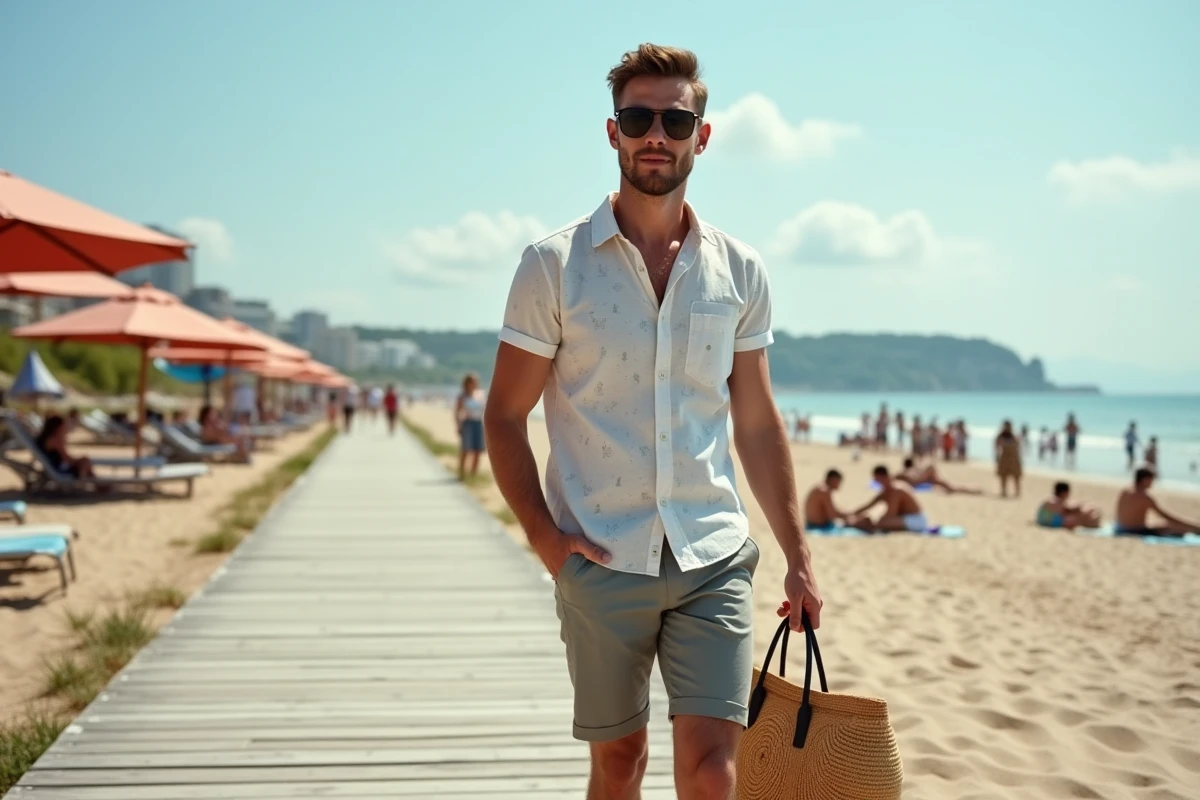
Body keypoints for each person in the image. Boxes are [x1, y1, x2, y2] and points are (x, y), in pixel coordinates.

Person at [482, 44, 823, 800]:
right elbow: (504, 416)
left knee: (710, 774)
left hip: (713, 555)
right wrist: (547, 541)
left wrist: (798, 556)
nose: (655, 135)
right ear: (612, 133)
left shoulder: (740, 270)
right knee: (620, 763)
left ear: (703, 135)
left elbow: (758, 424)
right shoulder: (553, 266)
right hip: (600, 556)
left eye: (675, 119)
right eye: (639, 118)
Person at [1115, 468, 1200, 536]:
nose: (1153, 482)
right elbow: (1166, 516)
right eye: (1151, 479)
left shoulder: (1125, 490)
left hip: (1120, 528)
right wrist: (1191, 524)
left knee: (1161, 524)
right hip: (1134, 531)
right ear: (1145, 480)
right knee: (1177, 528)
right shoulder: (1144, 497)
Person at [851, 465, 928, 532]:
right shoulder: (886, 490)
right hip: (905, 518)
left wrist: (870, 521)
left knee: (881, 523)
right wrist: (852, 514)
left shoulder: (897, 489)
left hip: (915, 520)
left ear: (881, 477)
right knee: (876, 521)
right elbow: (869, 505)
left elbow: (891, 514)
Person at [804, 469, 868, 530]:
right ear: (833, 479)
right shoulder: (824, 491)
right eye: (839, 481)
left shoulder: (820, 488)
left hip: (814, 524)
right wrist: (849, 516)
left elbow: (831, 511)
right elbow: (832, 514)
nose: (839, 484)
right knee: (863, 522)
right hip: (819, 526)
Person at [455, 372, 487, 481]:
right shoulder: (462, 396)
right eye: (473, 381)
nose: (475, 383)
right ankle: (461, 474)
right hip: (468, 423)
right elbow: (457, 412)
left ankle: (473, 475)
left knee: (478, 450)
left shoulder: (481, 394)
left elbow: (485, 409)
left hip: (478, 423)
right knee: (466, 449)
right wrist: (458, 425)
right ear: (467, 383)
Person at [898, 457, 982, 495]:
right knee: (952, 487)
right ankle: (975, 489)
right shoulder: (909, 472)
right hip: (924, 480)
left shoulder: (904, 473)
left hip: (924, 480)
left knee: (951, 487)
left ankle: (975, 489)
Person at [1036, 481, 1101, 529]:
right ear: (1064, 493)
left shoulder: (1051, 499)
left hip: (1047, 520)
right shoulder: (1054, 501)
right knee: (1077, 518)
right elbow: (1067, 510)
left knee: (1080, 514)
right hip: (1050, 521)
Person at [995, 419, 1023, 498]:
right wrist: (997, 457)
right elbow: (997, 446)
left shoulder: (1015, 435)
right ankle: (1003, 491)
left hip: (1014, 457)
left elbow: (1018, 446)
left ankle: (1017, 492)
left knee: (1016, 476)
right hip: (1005, 457)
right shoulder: (1000, 436)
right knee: (1003, 475)